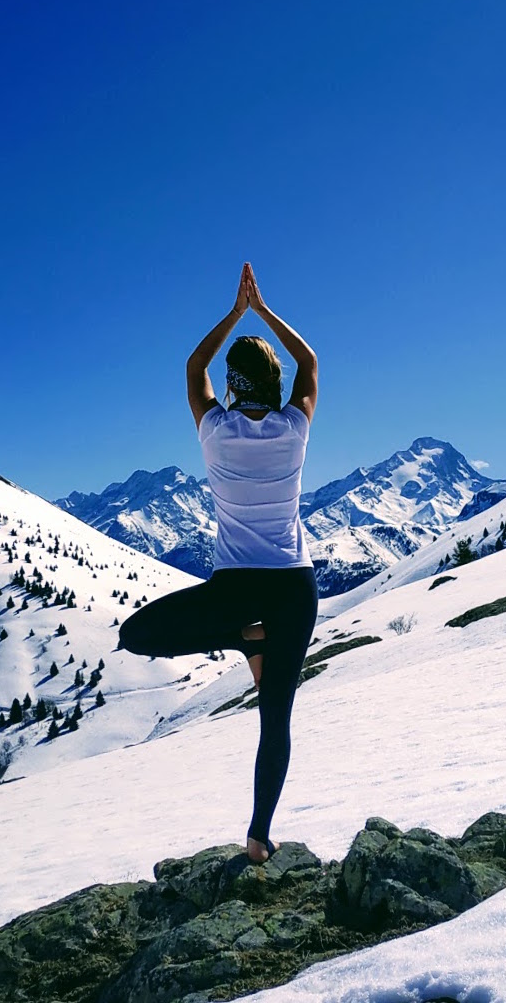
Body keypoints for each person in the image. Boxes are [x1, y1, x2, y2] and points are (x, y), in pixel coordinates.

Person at [118, 262, 318, 864]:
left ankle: (242, 639)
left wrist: (235, 312)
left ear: (233, 384)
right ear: (275, 382)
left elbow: (191, 369)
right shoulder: (293, 428)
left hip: (236, 590)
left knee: (137, 634)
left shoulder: (216, 431)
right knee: (275, 718)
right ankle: (259, 837)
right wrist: (263, 313)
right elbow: (309, 365)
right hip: (294, 588)